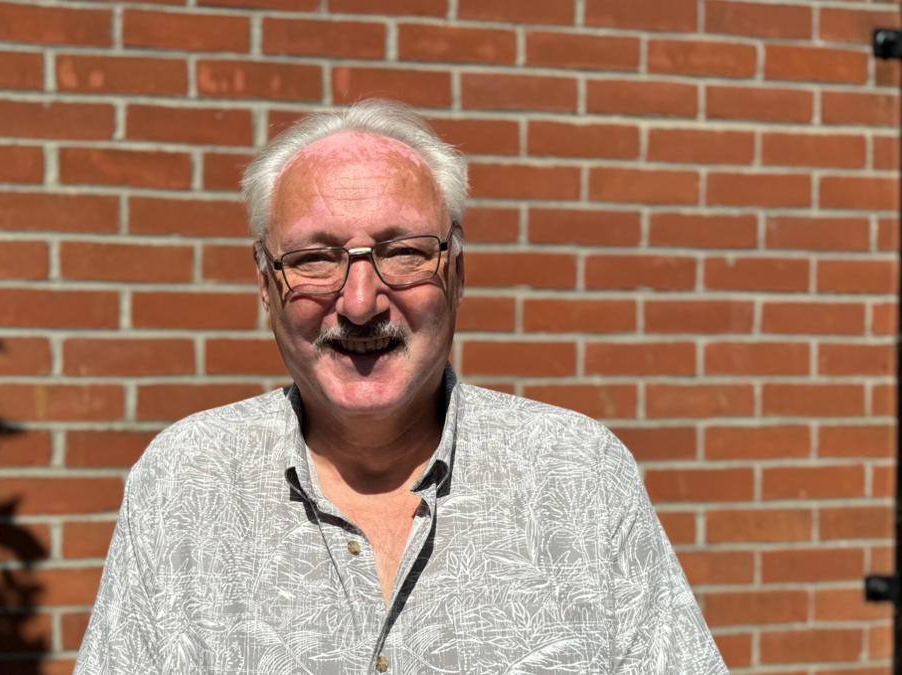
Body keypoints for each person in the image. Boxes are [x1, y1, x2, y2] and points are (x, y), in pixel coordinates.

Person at [73, 99, 727, 674]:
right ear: (266, 284)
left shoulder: (579, 477)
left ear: (458, 271)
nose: (360, 302)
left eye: (404, 250)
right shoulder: (182, 485)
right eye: (315, 258)